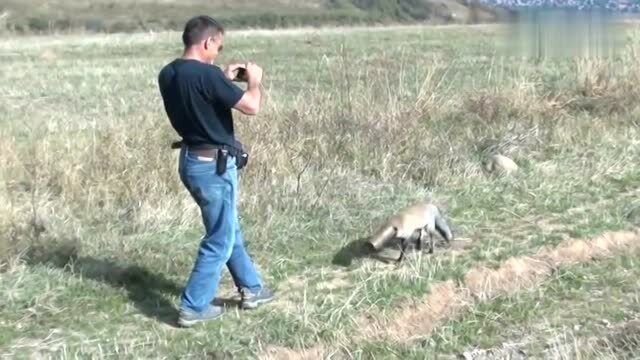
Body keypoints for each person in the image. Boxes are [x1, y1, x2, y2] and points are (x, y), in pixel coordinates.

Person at [157, 15, 273, 327]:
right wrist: (254, 81)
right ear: (208, 42)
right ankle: (193, 306)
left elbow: (199, 96)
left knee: (228, 226)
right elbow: (251, 106)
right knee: (219, 237)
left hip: (191, 161)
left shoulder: (168, 73)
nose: (217, 53)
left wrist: (221, 76)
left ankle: (253, 288)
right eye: (218, 48)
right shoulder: (208, 77)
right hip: (215, 166)